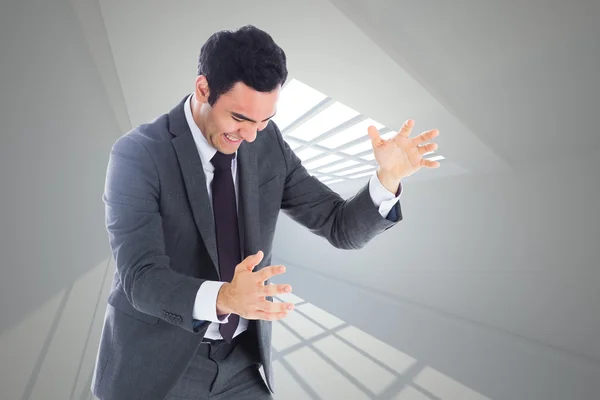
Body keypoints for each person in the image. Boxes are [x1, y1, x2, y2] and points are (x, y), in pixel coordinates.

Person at [91, 24, 440, 400]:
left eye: (264, 121)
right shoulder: (138, 154)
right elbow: (141, 279)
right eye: (239, 119)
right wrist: (223, 297)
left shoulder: (265, 143)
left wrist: (386, 179)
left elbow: (338, 226)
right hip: (159, 367)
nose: (251, 135)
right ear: (203, 89)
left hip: (239, 363)